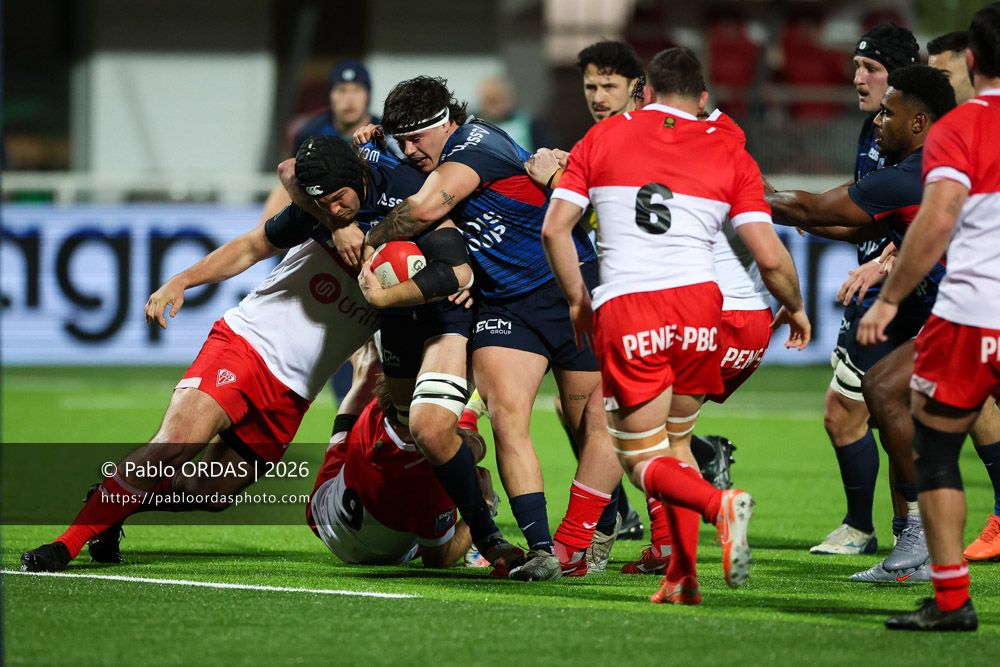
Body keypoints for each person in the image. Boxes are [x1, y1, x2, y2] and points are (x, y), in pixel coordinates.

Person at [18, 137, 414, 573]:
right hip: (246, 346)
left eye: (340, 201)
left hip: (294, 392)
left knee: (211, 493)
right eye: (328, 202)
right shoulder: (319, 215)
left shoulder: (416, 232)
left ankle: (110, 502)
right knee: (174, 446)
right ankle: (65, 545)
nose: (336, 209)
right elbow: (251, 243)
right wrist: (182, 281)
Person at [542, 47, 810, 603]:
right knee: (676, 444)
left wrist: (576, 300)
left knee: (640, 457)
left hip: (633, 307)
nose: (598, 98)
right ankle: (680, 573)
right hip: (706, 314)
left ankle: (717, 505)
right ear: (704, 97)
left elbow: (555, 230)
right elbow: (770, 255)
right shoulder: (728, 147)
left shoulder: (605, 140)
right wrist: (798, 305)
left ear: (645, 90)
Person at [359, 75, 620, 582]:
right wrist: (368, 147)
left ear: (448, 123)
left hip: (569, 291)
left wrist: (369, 239)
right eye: (402, 142)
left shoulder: (476, 143)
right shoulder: (421, 159)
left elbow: (423, 208)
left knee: (584, 419)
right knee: (506, 416)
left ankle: (599, 525)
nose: (411, 152)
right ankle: (543, 549)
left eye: (418, 139)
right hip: (505, 305)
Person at [769, 65, 957, 581]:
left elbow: (807, 211)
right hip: (957, 309)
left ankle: (919, 537)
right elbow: (837, 221)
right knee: (889, 395)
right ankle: (923, 544)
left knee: (888, 393)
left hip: (972, 310)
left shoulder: (909, 174)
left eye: (889, 113)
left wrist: (738, 192)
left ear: (918, 122)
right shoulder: (935, 167)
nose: (878, 121)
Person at [857, 3, 1000, 631]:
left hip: (974, 311)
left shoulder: (960, 127)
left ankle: (949, 601)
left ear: (971, 60)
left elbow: (937, 218)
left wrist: (888, 299)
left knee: (937, 446)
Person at [308, 353, 499, 568]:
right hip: (380, 556)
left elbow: (467, 447)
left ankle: (467, 416)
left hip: (323, 513)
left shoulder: (374, 411)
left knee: (365, 377)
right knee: (467, 476)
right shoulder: (429, 481)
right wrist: (485, 503)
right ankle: (468, 416)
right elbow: (439, 559)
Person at [476, 76, 554, 153]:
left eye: (499, 99)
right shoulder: (474, 129)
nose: (495, 106)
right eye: (490, 101)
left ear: (509, 98)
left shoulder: (529, 124)